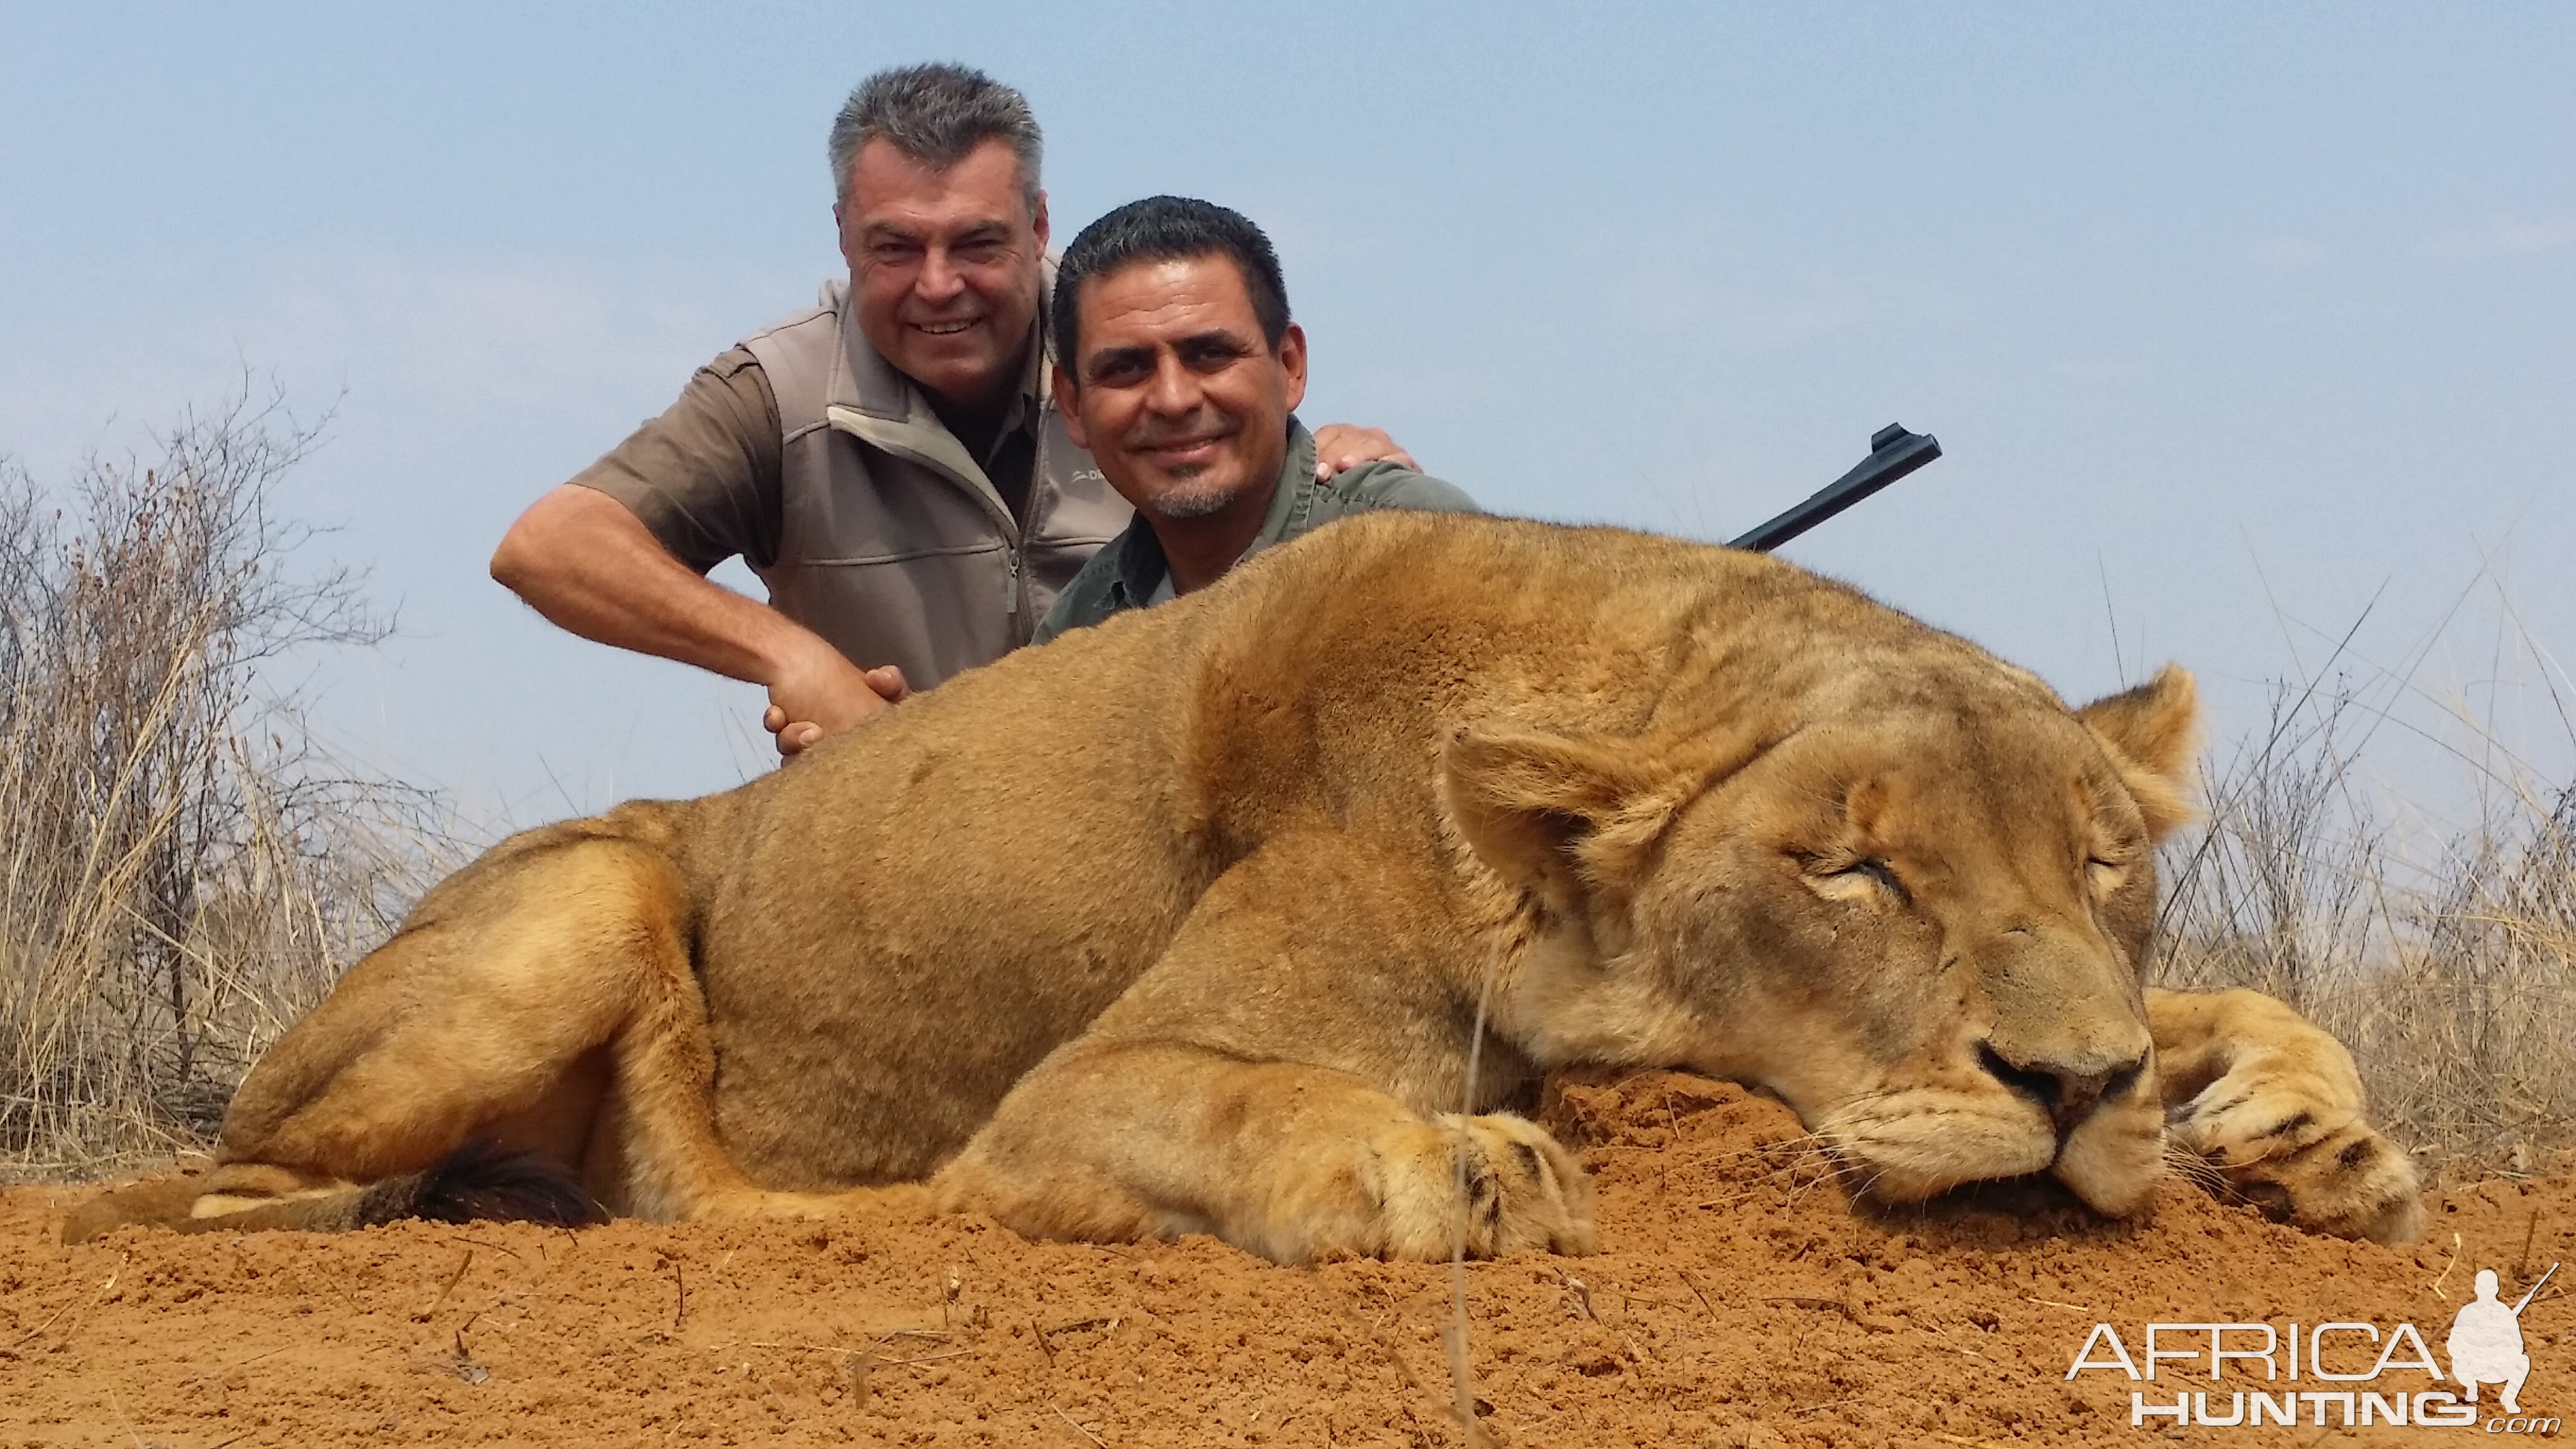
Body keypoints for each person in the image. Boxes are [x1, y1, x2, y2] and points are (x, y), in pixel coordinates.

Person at [489, 64, 1415, 756]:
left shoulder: (1122, 340)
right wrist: (796, 660)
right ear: (845, 234)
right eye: (896, 248)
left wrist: (1338, 467)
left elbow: (1253, 458)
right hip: (911, 846)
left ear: (1040, 225)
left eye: (979, 242)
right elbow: (549, 545)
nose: (941, 287)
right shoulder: (776, 392)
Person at [1036, 197, 1476, 642]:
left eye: (1210, 355)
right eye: (1126, 368)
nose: (1173, 400)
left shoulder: (1424, 547)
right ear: (1073, 404)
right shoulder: (1078, 628)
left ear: (1289, 366)